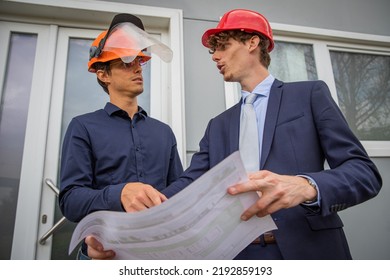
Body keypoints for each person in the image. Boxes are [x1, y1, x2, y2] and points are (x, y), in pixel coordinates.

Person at [86, 9, 382, 260]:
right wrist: (123, 231)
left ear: (253, 42)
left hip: (310, 250)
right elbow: (187, 187)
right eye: (212, 49)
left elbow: (364, 174)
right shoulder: (218, 125)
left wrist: (307, 186)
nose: (214, 55)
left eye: (222, 45)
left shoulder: (309, 95)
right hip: (238, 255)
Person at [59, 13, 183, 259]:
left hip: (157, 253)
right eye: (126, 62)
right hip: (103, 254)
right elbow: (71, 201)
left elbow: (177, 194)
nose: (138, 67)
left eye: (140, 61)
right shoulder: (83, 127)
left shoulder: (163, 132)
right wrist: (119, 193)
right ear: (103, 74)